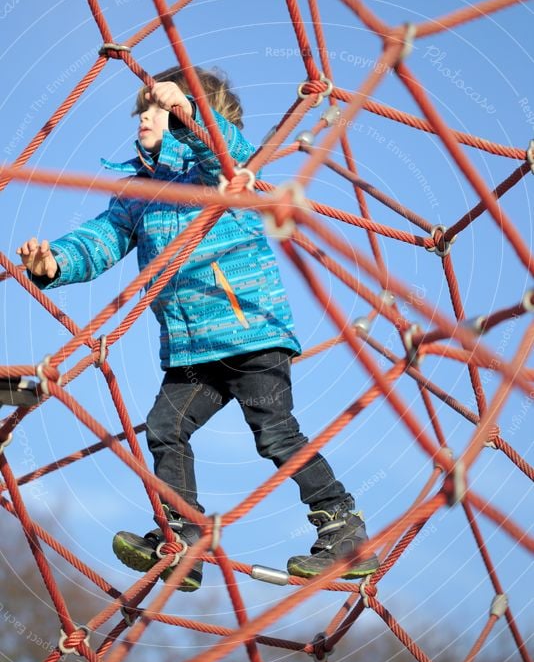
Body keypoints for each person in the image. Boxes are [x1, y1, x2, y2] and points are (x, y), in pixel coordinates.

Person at [17, 66, 379, 591]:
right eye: (141, 109)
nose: (145, 116)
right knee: (166, 429)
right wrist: (54, 262)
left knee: (275, 432)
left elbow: (222, 150)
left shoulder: (223, 172)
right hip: (190, 347)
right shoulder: (137, 193)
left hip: (249, 333)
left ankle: (342, 526)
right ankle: (184, 534)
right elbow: (100, 240)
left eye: (157, 108)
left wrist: (189, 117)